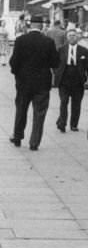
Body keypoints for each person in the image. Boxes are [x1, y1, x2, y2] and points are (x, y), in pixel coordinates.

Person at [9, 15, 60, 150]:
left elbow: (13, 62)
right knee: (39, 113)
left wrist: (17, 75)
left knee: (21, 110)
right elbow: (55, 62)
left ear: (30, 25)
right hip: (42, 83)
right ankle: (34, 142)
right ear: (42, 26)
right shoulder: (48, 42)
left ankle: (18, 137)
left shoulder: (20, 40)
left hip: (24, 83)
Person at [53, 29, 88, 133]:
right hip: (64, 79)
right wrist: (57, 73)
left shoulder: (83, 50)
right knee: (63, 102)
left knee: (76, 104)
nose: (72, 37)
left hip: (78, 80)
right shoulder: (61, 49)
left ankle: (74, 124)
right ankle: (62, 123)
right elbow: (55, 63)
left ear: (77, 37)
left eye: (74, 35)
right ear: (67, 37)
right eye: (70, 35)